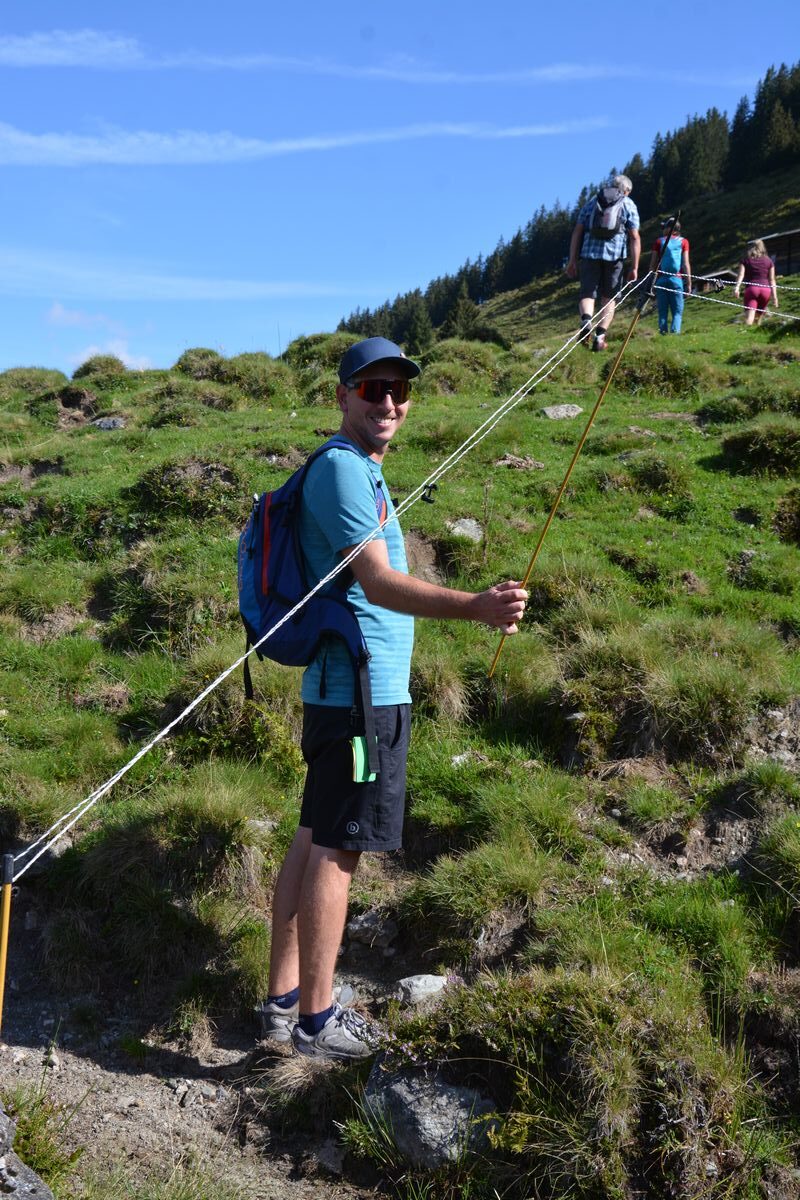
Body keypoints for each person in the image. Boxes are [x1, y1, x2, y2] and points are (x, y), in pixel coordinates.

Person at [260, 336, 527, 1060]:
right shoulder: (344, 472)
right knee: (339, 849)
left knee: (316, 836)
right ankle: (317, 1020)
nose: (387, 402)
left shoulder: (354, 472)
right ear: (341, 396)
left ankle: (284, 1003)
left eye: (398, 391)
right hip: (360, 697)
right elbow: (377, 583)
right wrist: (474, 605)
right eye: (371, 389)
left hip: (344, 692)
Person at [565, 174, 641, 351]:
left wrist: (572, 260)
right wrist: (635, 266)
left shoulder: (593, 201)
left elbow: (578, 230)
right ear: (627, 190)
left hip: (589, 254)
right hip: (615, 257)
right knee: (610, 297)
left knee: (587, 292)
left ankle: (585, 320)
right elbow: (635, 237)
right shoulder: (628, 204)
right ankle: (599, 338)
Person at [648, 218, 691, 334]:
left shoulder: (658, 242)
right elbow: (685, 264)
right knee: (677, 311)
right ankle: (674, 334)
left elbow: (653, 264)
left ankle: (662, 333)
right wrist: (689, 283)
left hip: (661, 280)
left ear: (669, 228)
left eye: (664, 227)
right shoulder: (684, 242)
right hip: (676, 280)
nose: (662, 230)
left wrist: (650, 282)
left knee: (662, 311)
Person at [734, 240, 778, 326]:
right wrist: (775, 297)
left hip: (752, 289)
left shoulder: (745, 260)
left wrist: (737, 288)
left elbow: (741, 275)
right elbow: (772, 280)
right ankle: (754, 336)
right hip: (766, 291)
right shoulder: (769, 261)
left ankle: (746, 335)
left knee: (749, 318)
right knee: (758, 318)